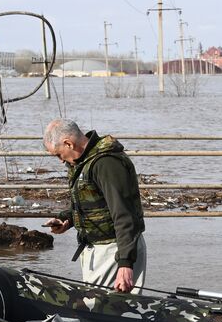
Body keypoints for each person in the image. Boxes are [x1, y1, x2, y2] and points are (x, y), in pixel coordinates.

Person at [42, 119, 147, 293]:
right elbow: (94, 202)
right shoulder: (84, 161)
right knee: (103, 307)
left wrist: (125, 263)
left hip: (114, 250)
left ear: (68, 143)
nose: (60, 160)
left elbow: (124, 213)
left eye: (58, 154)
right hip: (100, 250)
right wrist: (67, 219)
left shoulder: (106, 163)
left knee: (99, 306)